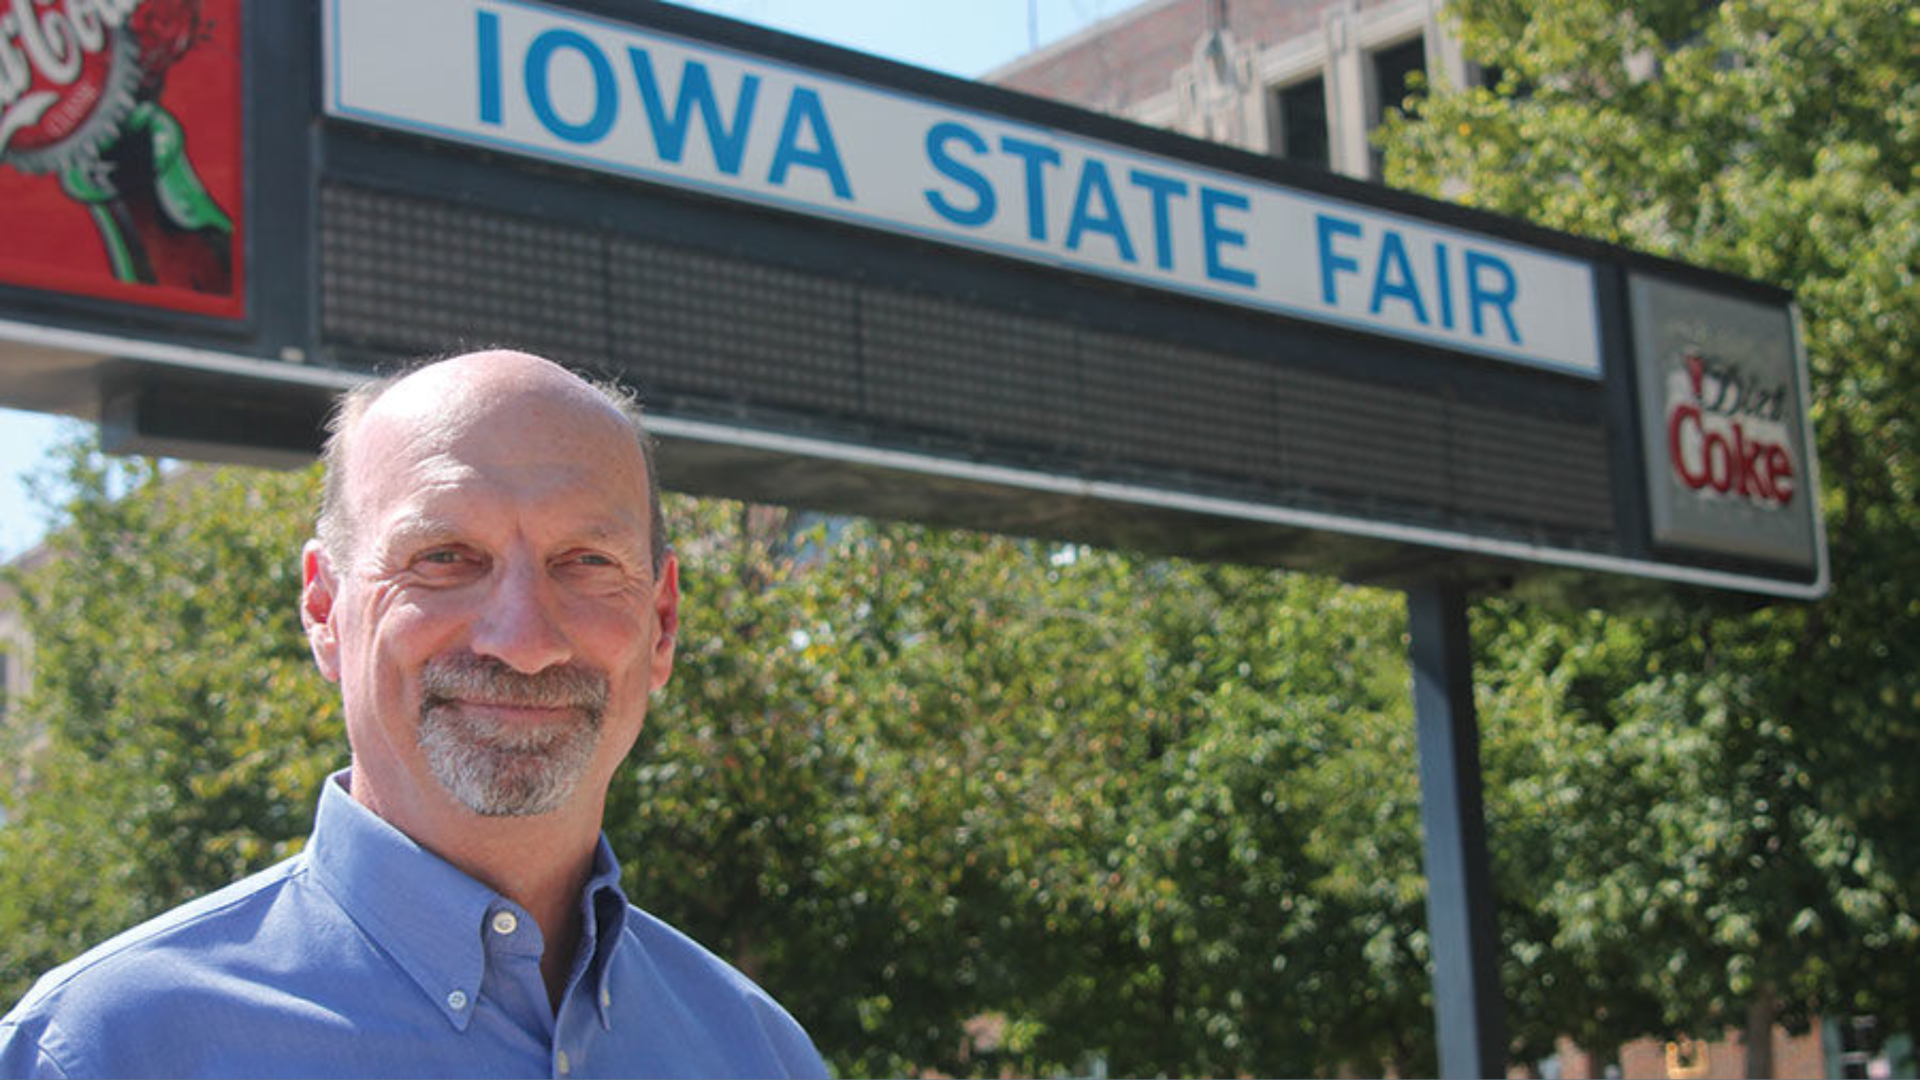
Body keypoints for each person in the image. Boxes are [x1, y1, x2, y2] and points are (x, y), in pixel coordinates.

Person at [0, 351, 830, 1079]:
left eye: (585, 561)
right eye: (444, 558)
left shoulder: (760, 1052)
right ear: (325, 609)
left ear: (663, 623)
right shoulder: (100, 1053)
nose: (524, 640)